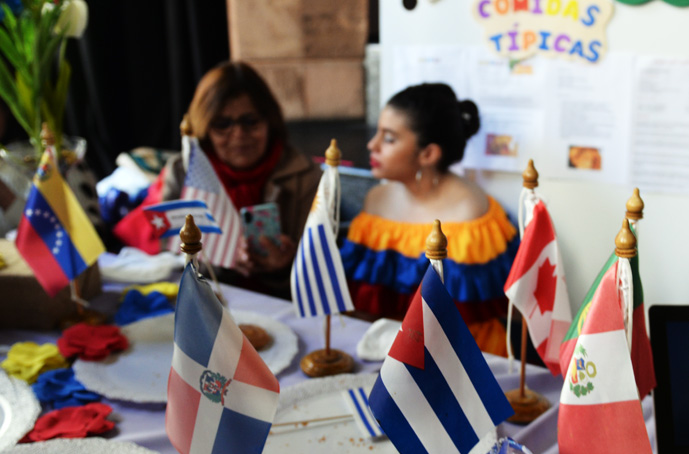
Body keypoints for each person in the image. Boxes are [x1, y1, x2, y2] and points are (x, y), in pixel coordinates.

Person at [340, 83, 519, 356]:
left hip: (456, 359)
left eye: (388, 139)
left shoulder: (468, 217)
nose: (371, 145)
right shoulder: (375, 201)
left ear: (428, 154)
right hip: (384, 349)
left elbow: (466, 318)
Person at [115, 61, 321, 298]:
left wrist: (285, 264)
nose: (238, 135)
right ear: (204, 127)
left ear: (270, 121)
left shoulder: (305, 177)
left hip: (283, 303)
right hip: (205, 299)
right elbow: (169, 256)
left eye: (250, 121)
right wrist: (224, 264)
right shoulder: (183, 172)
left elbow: (322, 270)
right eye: (222, 124)